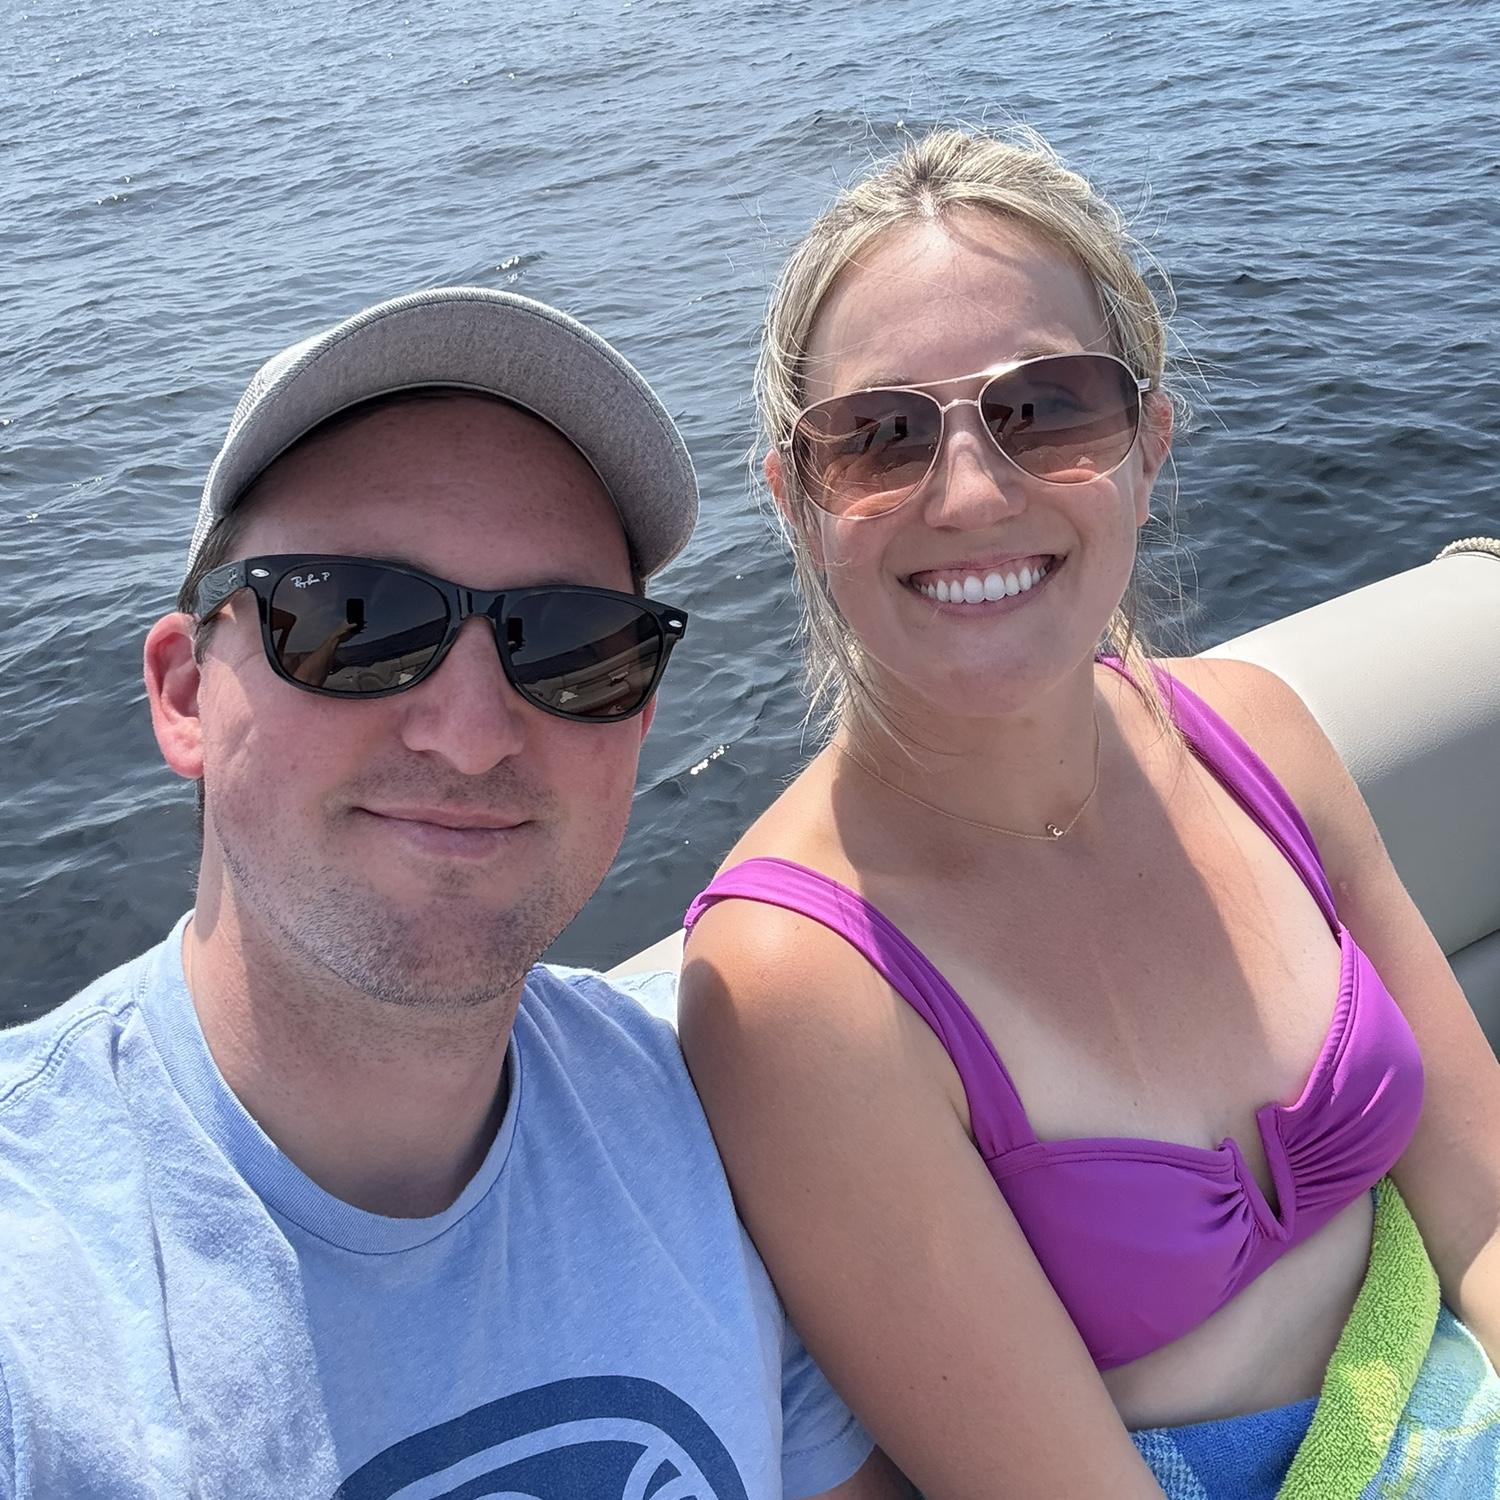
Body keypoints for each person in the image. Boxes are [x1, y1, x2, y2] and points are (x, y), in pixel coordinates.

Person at [678, 129, 1500, 1497]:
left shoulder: (1259, 736)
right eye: (878, 438)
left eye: (1047, 408)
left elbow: (1481, 1204)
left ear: (1148, 442)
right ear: (798, 501)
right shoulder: (800, 984)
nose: (969, 492)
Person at [0, 286, 911, 1500]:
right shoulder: (35, 1301)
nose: (473, 735)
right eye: (354, 620)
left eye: (573, 643)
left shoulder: (722, 1126)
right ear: (184, 694)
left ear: (640, 715)